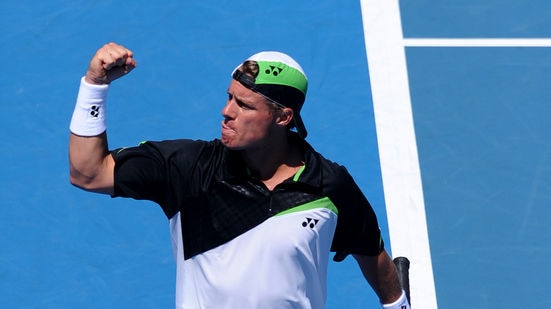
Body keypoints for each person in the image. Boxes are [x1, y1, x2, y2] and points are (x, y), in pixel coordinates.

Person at [68, 42, 410, 309]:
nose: (226, 111)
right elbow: (88, 173)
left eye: (244, 105)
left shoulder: (329, 186)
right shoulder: (188, 169)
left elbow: (372, 253)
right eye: (229, 97)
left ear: (283, 117)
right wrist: (94, 86)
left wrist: (398, 304)